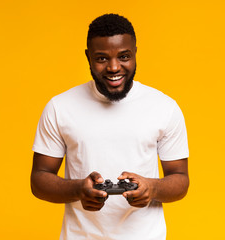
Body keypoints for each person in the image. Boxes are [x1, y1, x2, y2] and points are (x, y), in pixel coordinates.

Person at [31, 13, 189, 240]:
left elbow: (180, 179)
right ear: (88, 57)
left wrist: (151, 188)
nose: (114, 67)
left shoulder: (164, 107)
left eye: (124, 56)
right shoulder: (60, 107)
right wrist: (78, 190)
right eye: (102, 58)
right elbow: (39, 179)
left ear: (135, 52)